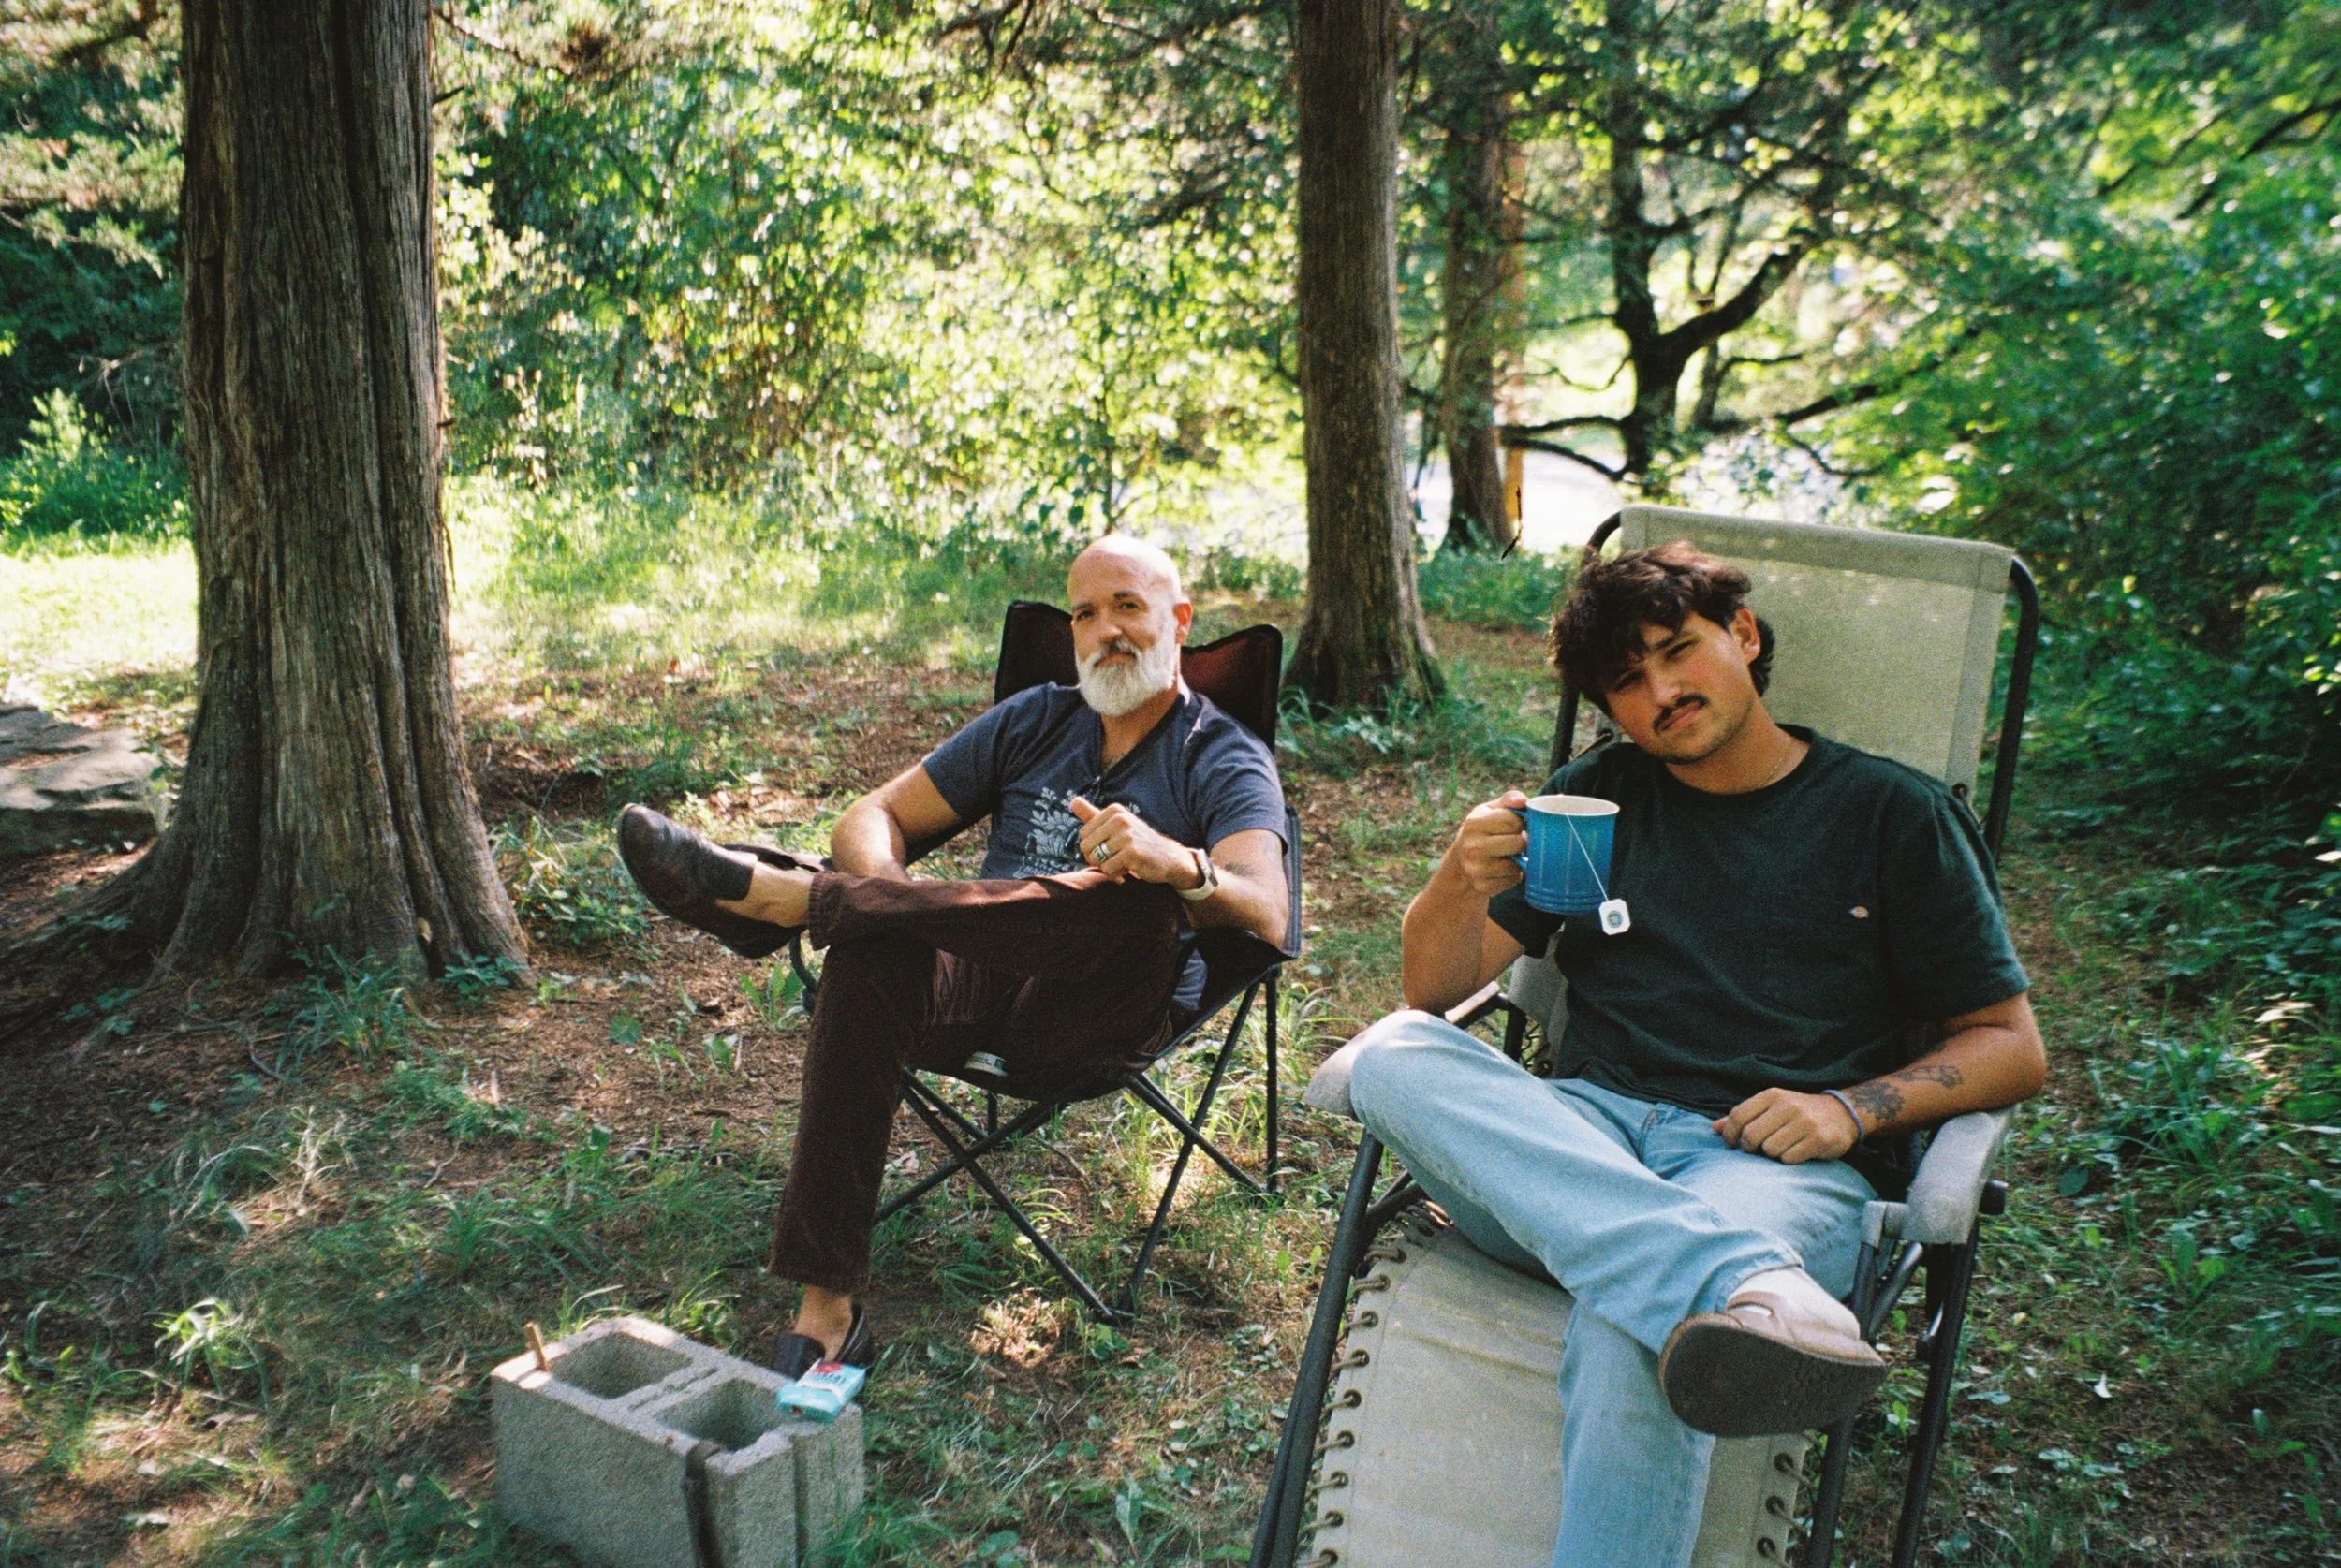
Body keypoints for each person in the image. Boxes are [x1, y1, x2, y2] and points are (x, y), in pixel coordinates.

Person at [1337, 541, 2044, 1568]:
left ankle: (1708, 1285)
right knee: (1393, 1053)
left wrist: (1849, 1109)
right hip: (1576, 1139)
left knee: (1658, 1334)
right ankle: (1738, 1280)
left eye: (1679, 651)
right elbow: (1433, 992)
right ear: (1608, 709)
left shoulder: (1892, 814)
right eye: (1627, 681)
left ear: (1744, 637)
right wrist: (1457, 876)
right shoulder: (1598, 800)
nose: (1663, 690)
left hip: (1766, 1167)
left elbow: (2011, 1047)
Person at [614, 536, 1290, 1378]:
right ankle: (826, 1311)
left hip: (1087, 1012)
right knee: (870, 949)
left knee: (1132, 900)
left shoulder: (1221, 753)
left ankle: (789, 901)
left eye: (1128, 606)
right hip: (979, 962)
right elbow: (871, 819)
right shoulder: (1039, 716)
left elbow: (1268, 910)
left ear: (1178, 622)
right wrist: (892, 902)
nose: (1105, 630)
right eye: (1085, 613)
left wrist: (1174, 861)